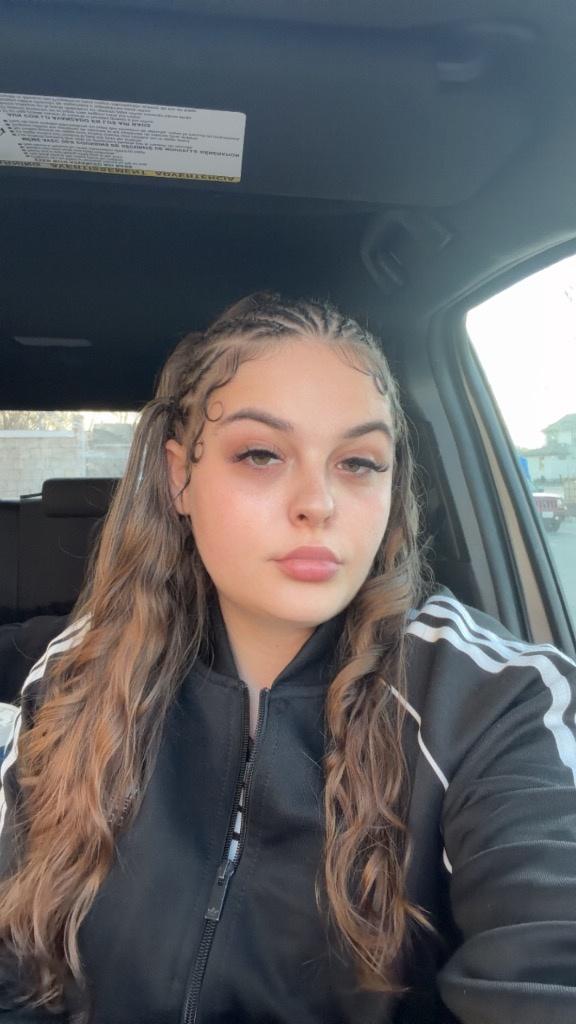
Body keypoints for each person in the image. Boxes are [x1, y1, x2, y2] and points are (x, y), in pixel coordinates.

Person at [0, 292, 574, 1024]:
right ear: (179, 477)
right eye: (261, 454)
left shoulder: (494, 701)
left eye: (359, 462)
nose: (318, 502)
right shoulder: (76, 677)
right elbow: (17, 967)